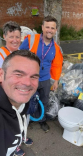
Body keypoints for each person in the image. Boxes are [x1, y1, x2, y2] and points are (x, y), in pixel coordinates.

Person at [20, 16, 63, 132]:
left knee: (44, 101)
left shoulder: (56, 48)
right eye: (47, 27)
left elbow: (57, 65)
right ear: (42, 27)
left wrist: (56, 80)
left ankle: (42, 120)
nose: (49, 30)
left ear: (56, 30)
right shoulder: (30, 40)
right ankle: (27, 119)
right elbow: (19, 56)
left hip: (45, 79)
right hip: (30, 78)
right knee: (27, 99)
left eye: (52, 28)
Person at [0, 21, 34, 156]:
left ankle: (22, 137)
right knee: (11, 122)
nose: (15, 40)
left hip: (22, 94)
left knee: (24, 117)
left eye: (17, 37)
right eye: (11, 36)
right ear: (4, 37)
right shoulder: (1, 55)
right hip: (7, 97)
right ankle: (14, 146)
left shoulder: (22, 53)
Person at [0, 50, 40, 156]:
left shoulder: (22, 102)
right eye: (18, 74)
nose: (27, 83)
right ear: (1, 75)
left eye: (33, 77)